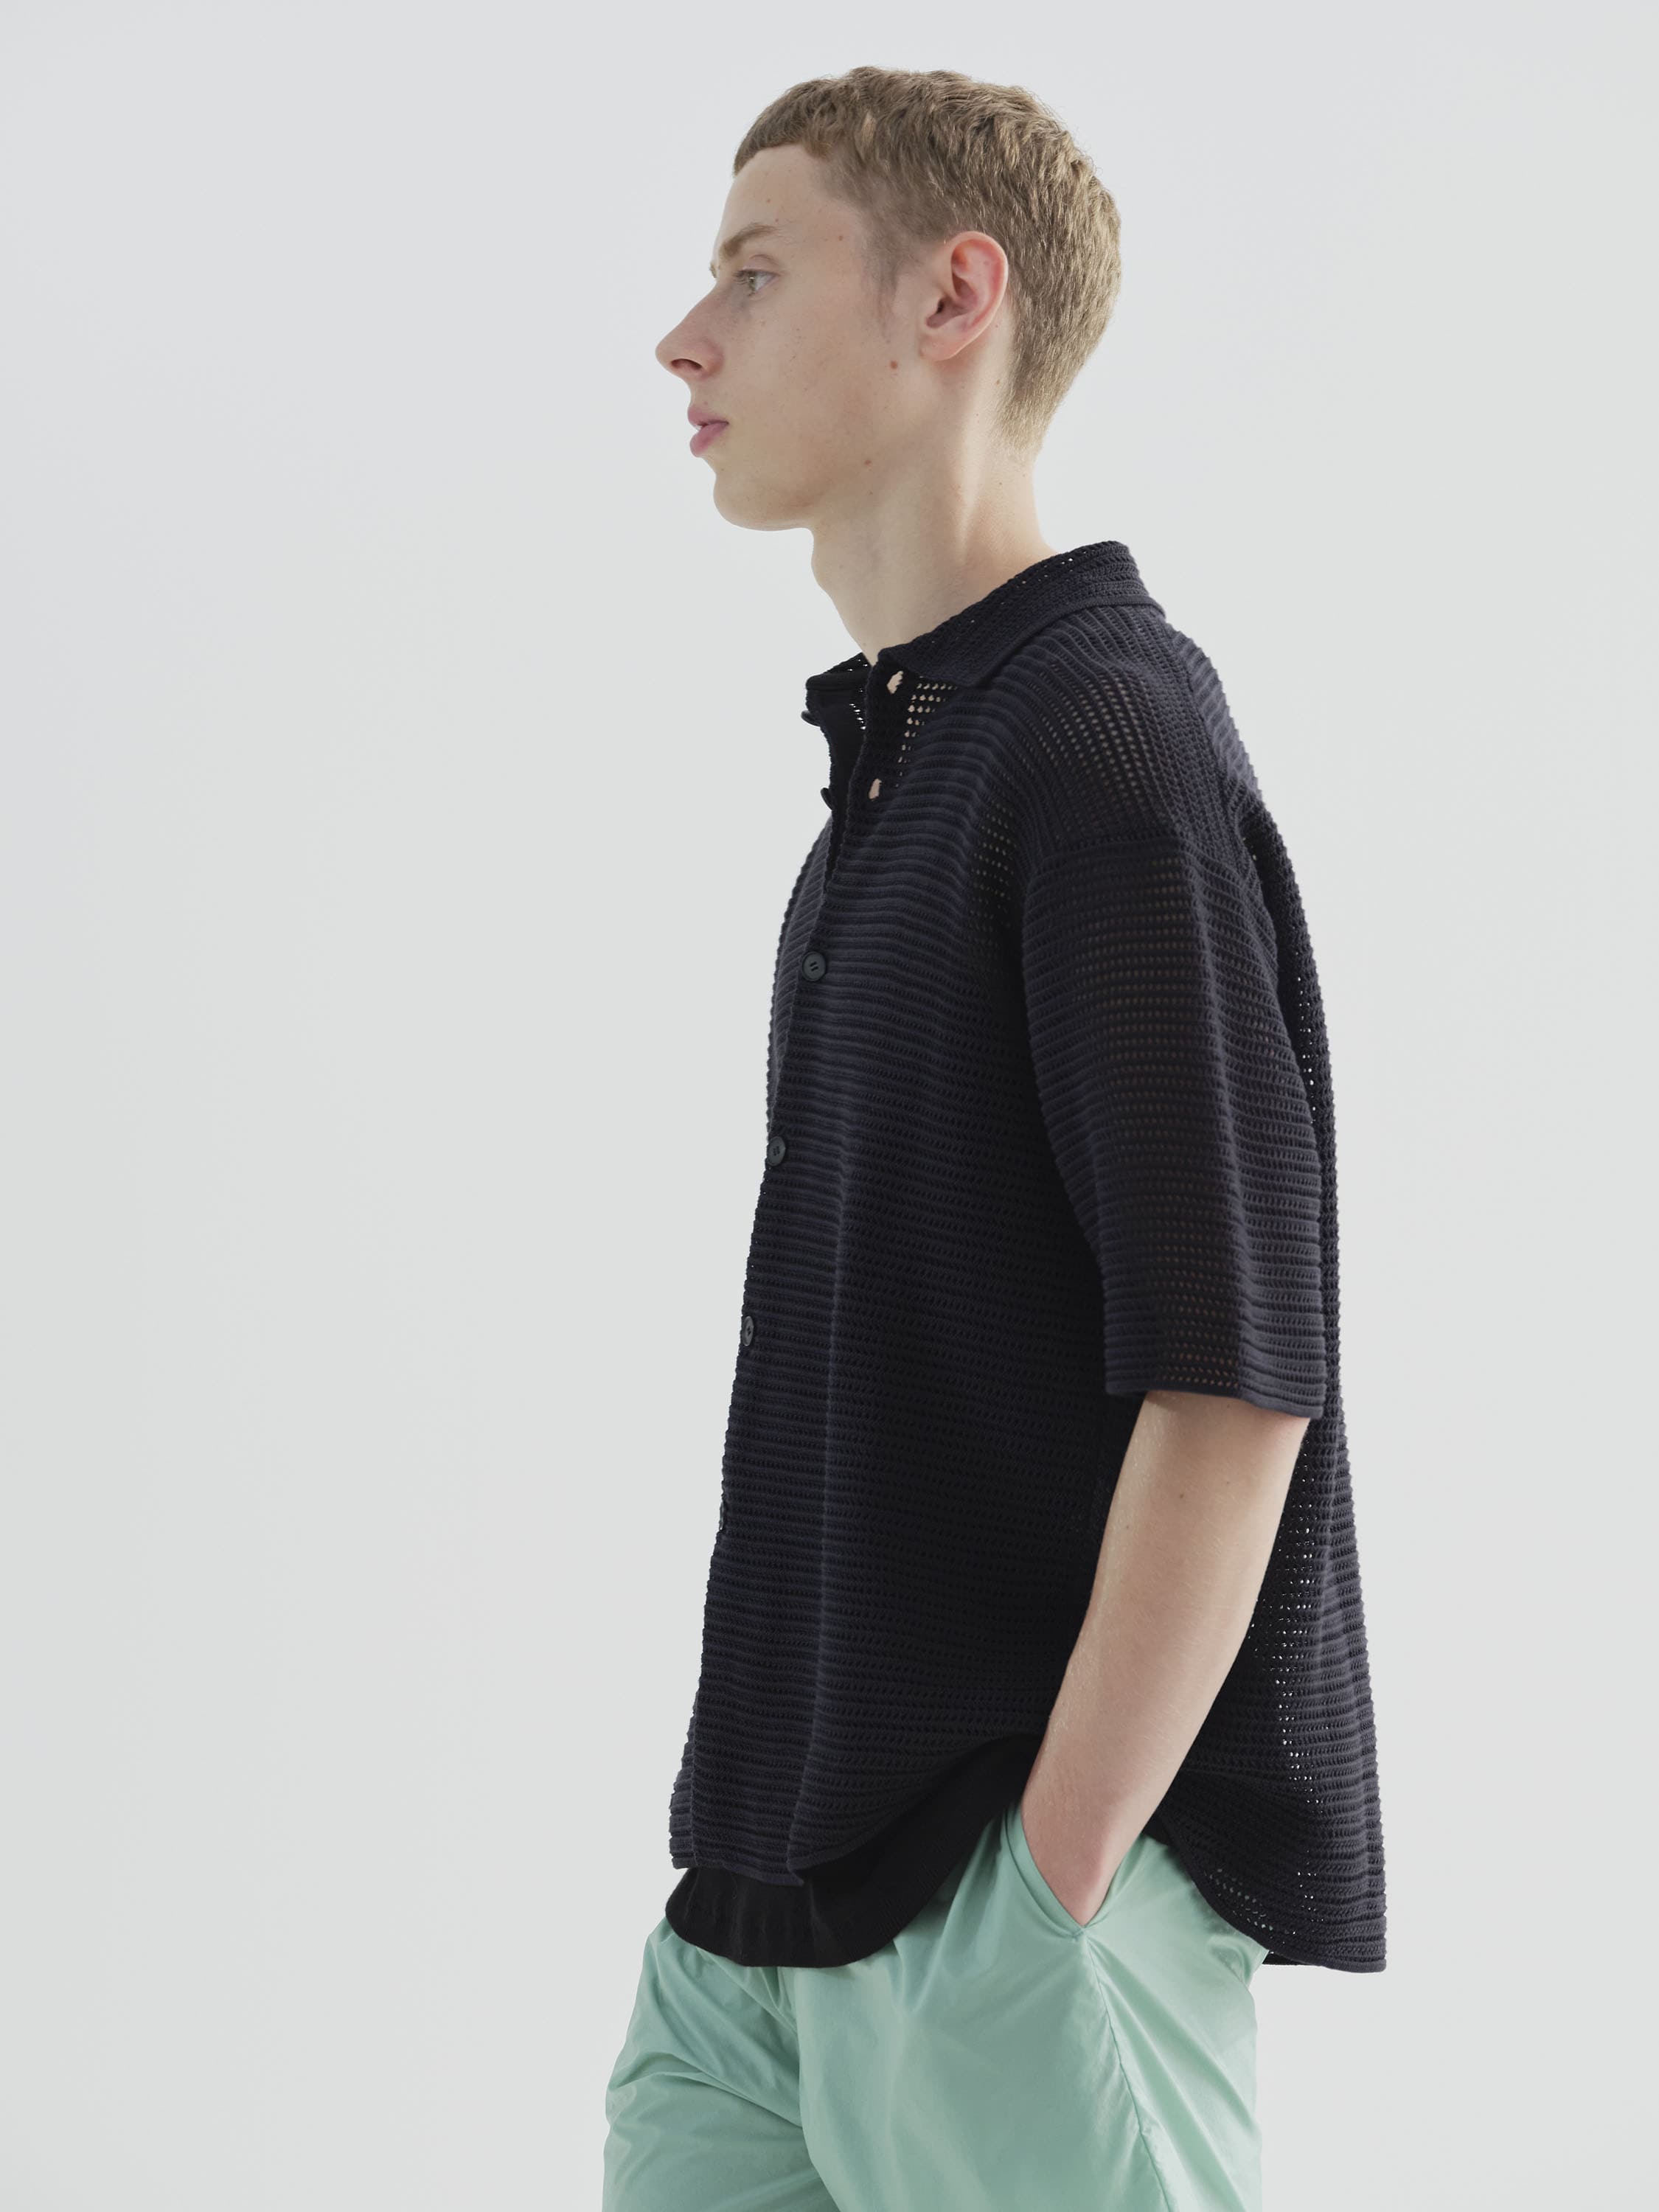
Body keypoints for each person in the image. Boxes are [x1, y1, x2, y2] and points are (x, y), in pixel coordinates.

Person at [605, 63, 1385, 2212]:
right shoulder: (904, 776)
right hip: (755, 1913)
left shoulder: (1104, 744)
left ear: (955, 297)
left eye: (754, 273)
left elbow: (1235, 1377)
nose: (685, 337)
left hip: (996, 1905)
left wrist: (1045, 1885)